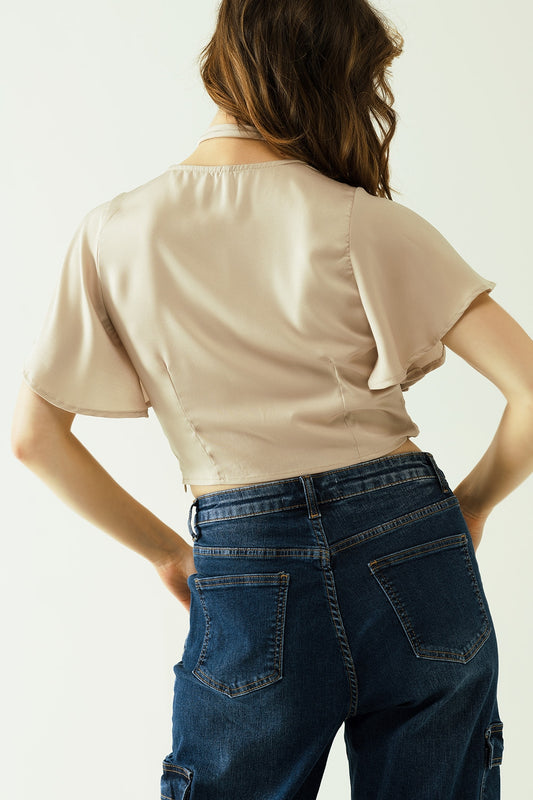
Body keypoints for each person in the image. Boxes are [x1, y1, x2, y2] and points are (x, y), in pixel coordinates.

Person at [10, 1, 533, 798]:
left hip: (248, 555)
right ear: (333, 80)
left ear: (223, 61)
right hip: (412, 542)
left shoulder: (114, 231)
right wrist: (473, 505)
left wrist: (165, 552)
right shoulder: (360, 219)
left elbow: (34, 439)